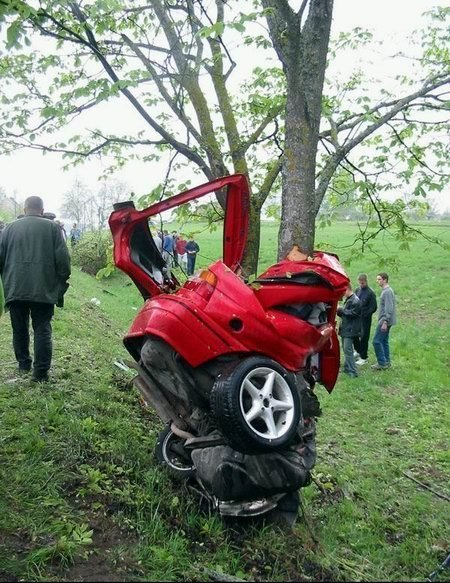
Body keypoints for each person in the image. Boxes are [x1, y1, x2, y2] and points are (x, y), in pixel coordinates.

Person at [0, 196, 71, 382]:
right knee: (42, 329)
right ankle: (40, 373)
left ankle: (24, 364)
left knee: (19, 328)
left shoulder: (8, 228)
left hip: (15, 287)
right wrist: (61, 280)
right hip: (44, 289)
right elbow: (63, 261)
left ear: (24, 209)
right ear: (42, 209)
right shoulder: (53, 228)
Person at [372, 272, 397, 370]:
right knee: (384, 341)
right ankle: (387, 361)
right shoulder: (386, 291)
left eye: (379, 279)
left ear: (385, 280)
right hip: (385, 320)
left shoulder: (387, 292)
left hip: (384, 321)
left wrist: (385, 321)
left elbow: (389, 308)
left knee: (376, 341)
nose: (377, 281)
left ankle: (382, 363)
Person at [337, 283, 362, 378]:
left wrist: (341, 309)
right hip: (346, 328)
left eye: (344, 291)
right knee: (345, 349)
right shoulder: (349, 300)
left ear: (348, 289)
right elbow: (345, 315)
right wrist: (339, 311)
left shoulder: (355, 301)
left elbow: (352, 314)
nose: (343, 294)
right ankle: (347, 367)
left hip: (350, 330)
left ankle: (353, 371)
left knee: (348, 350)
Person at [353, 274, 377, 366]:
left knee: (364, 337)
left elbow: (373, 307)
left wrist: (366, 314)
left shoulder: (370, 293)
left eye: (362, 283)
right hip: (357, 317)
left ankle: (364, 357)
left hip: (365, 319)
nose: (361, 284)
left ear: (366, 281)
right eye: (360, 283)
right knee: (355, 335)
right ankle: (358, 350)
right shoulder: (357, 290)